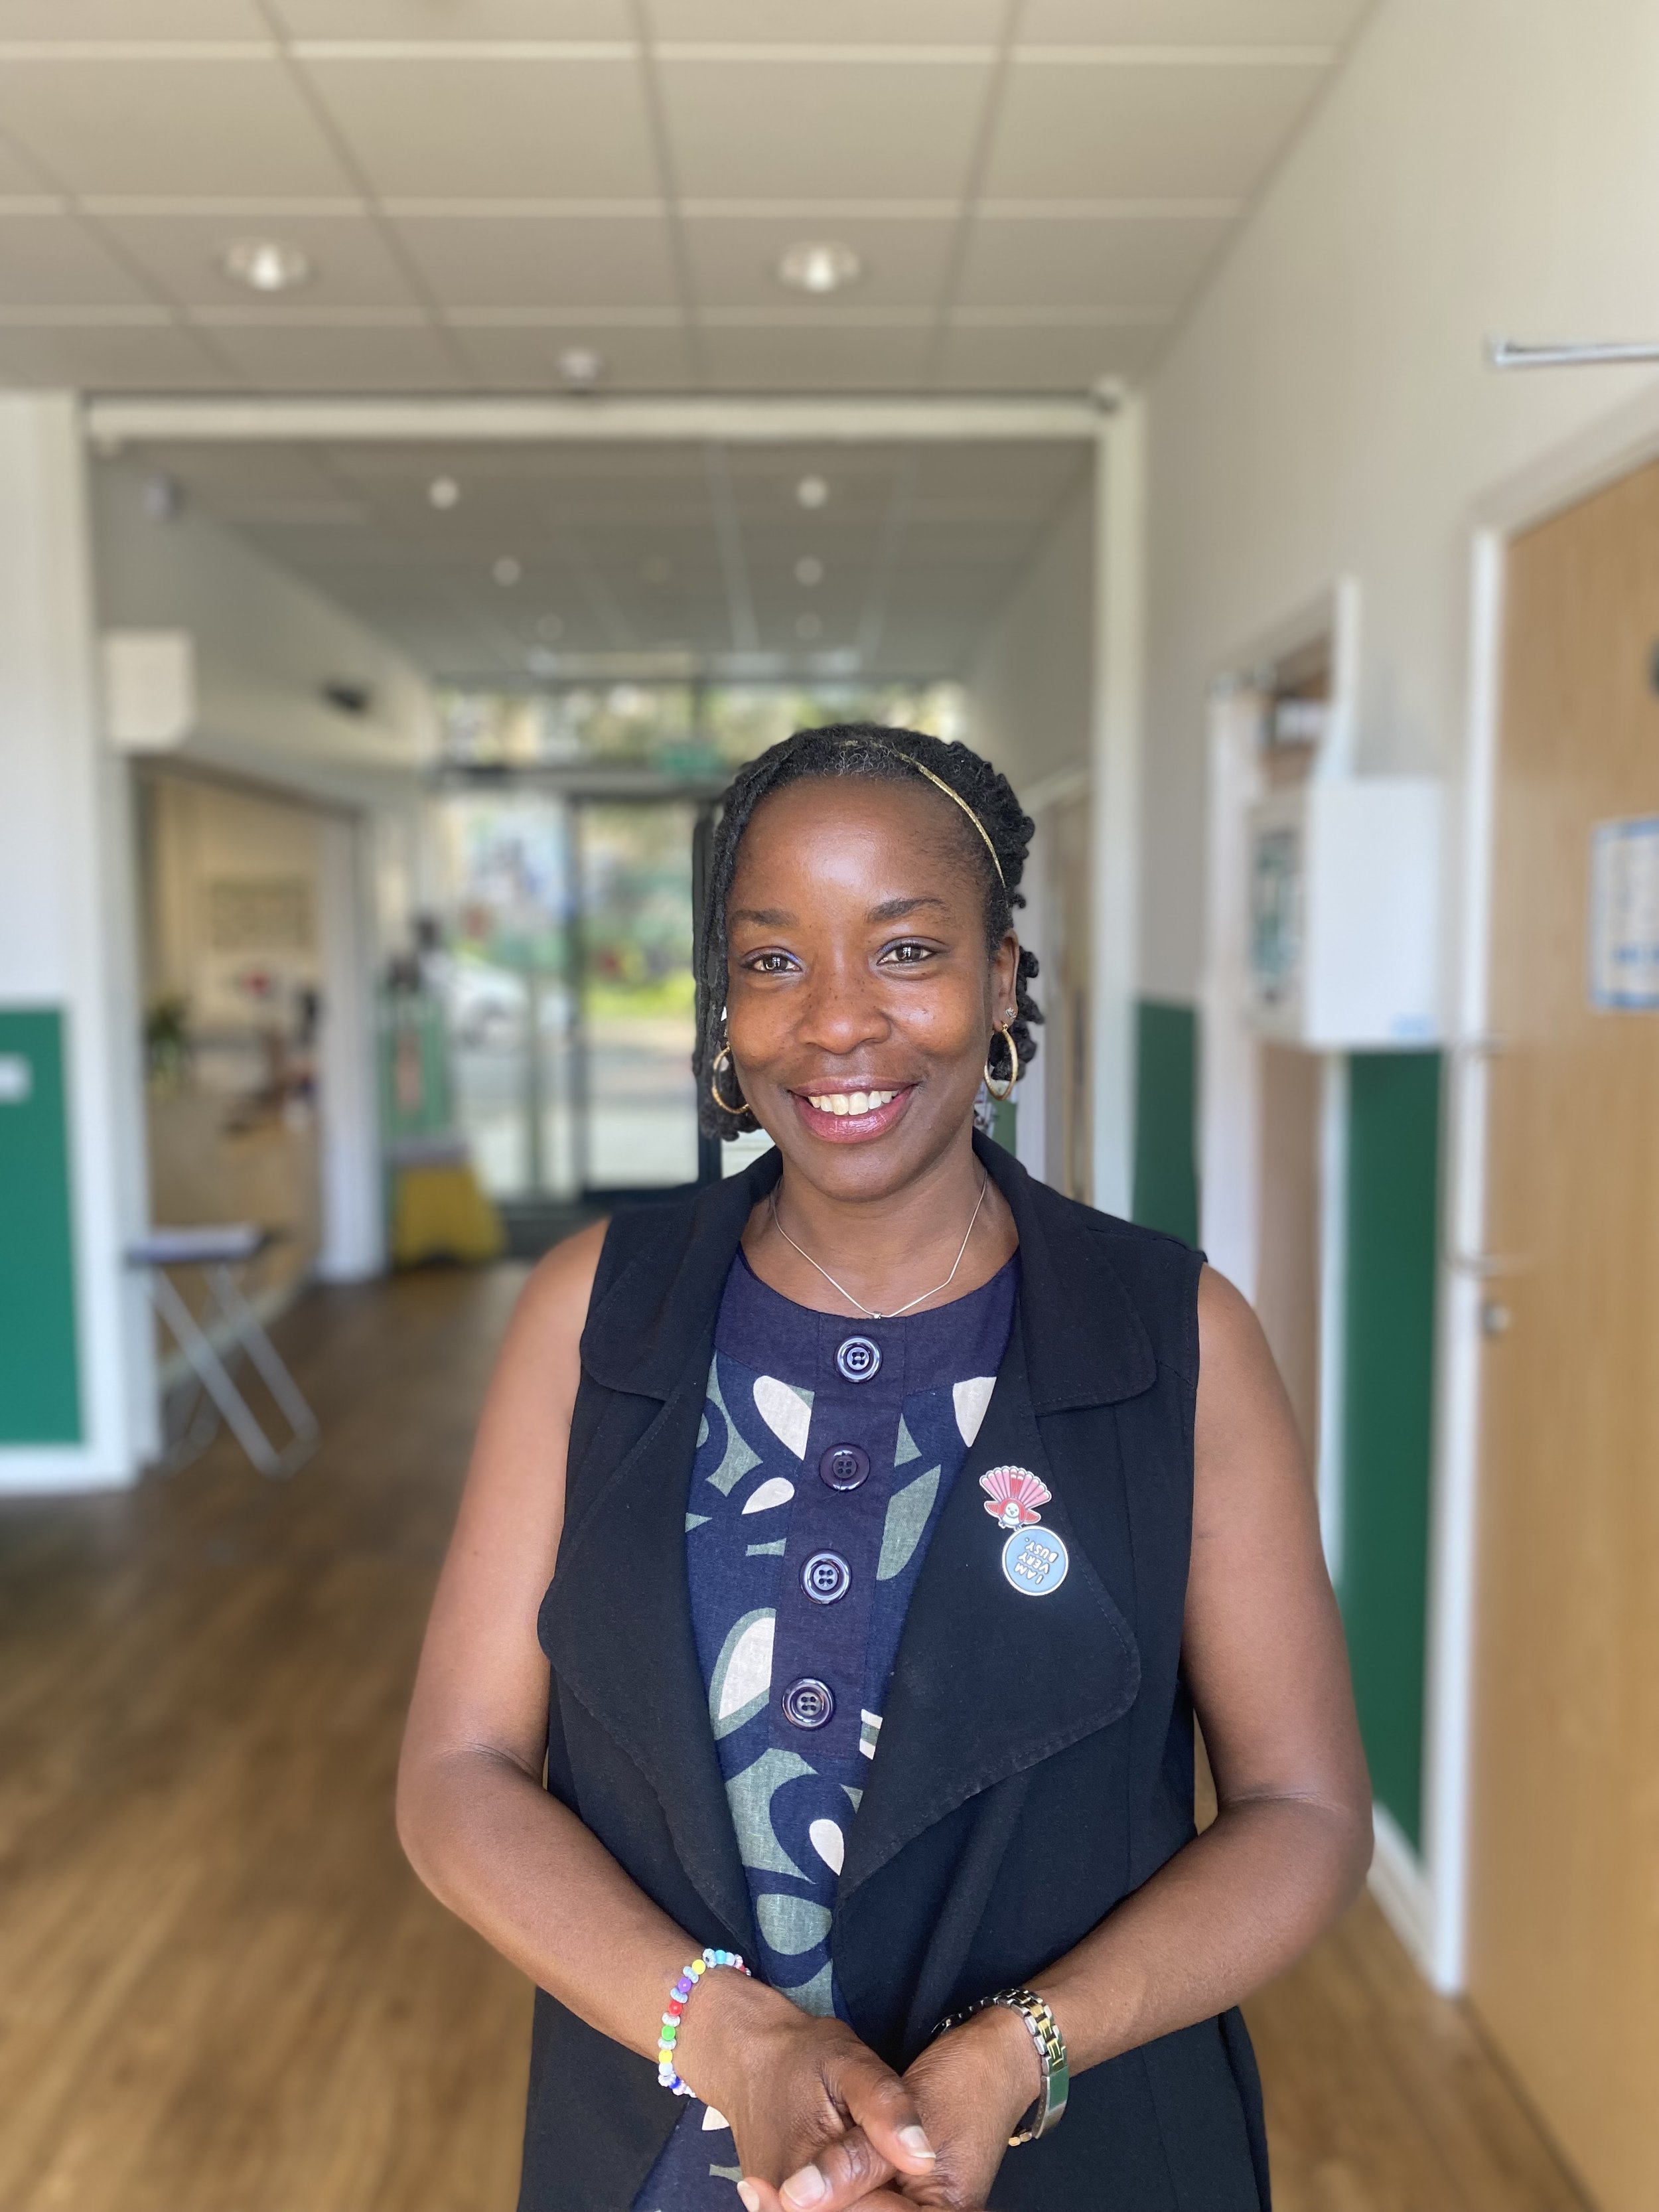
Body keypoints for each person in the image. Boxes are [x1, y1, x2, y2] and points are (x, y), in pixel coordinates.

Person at [397, 723, 1372, 2212]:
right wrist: (728, 2035)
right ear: (724, 1002)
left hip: (1081, 2162)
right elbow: (456, 1774)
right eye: (773, 961)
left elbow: (1301, 1808)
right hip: (665, 2167)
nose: (835, 1021)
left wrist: (1008, 2055)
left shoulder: (1167, 1334)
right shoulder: (595, 1315)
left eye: (904, 951)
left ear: (997, 978)